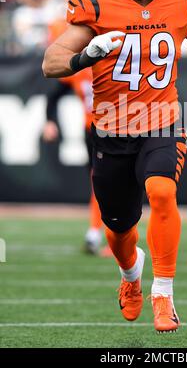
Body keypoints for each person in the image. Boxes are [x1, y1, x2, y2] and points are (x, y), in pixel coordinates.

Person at [42, 0, 187, 333]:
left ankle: (163, 294)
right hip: (110, 128)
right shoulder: (95, 4)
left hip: (161, 122)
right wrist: (86, 55)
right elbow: (51, 62)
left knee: (162, 191)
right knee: (119, 230)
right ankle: (131, 278)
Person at [42, 70, 112, 257]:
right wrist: (49, 121)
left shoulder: (115, 61)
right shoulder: (80, 68)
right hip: (92, 132)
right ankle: (95, 232)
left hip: (117, 130)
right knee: (98, 182)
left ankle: (112, 235)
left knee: (118, 183)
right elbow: (53, 96)